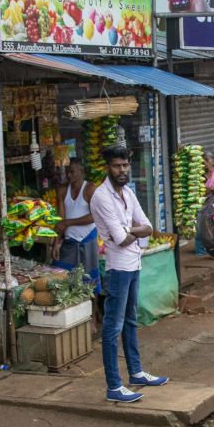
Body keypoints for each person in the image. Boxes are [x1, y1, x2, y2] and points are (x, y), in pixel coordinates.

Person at [89, 146, 169, 403]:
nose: (122, 170)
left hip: (134, 263)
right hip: (117, 268)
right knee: (113, 327)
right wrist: (133, 231)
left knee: (131, 322)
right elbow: (122, 238)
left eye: (125, 165)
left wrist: (129, 230)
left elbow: (149, 226)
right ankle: (114, 385)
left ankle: (135, 372)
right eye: (116, 166)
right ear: (107, 167)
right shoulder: (102, 197)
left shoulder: (128, 192)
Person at [53, 160, 101, 300]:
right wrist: (56, 242)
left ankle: (94, 314)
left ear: (81, 172)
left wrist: (69, 222)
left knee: (90, 281)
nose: (69, 175)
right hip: (69, 242)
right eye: (67, 172)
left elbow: (95, 216)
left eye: (72, 171)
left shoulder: (90, 188)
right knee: (61, 274)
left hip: (87, 240)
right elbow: (60, 220)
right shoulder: (62, 191)